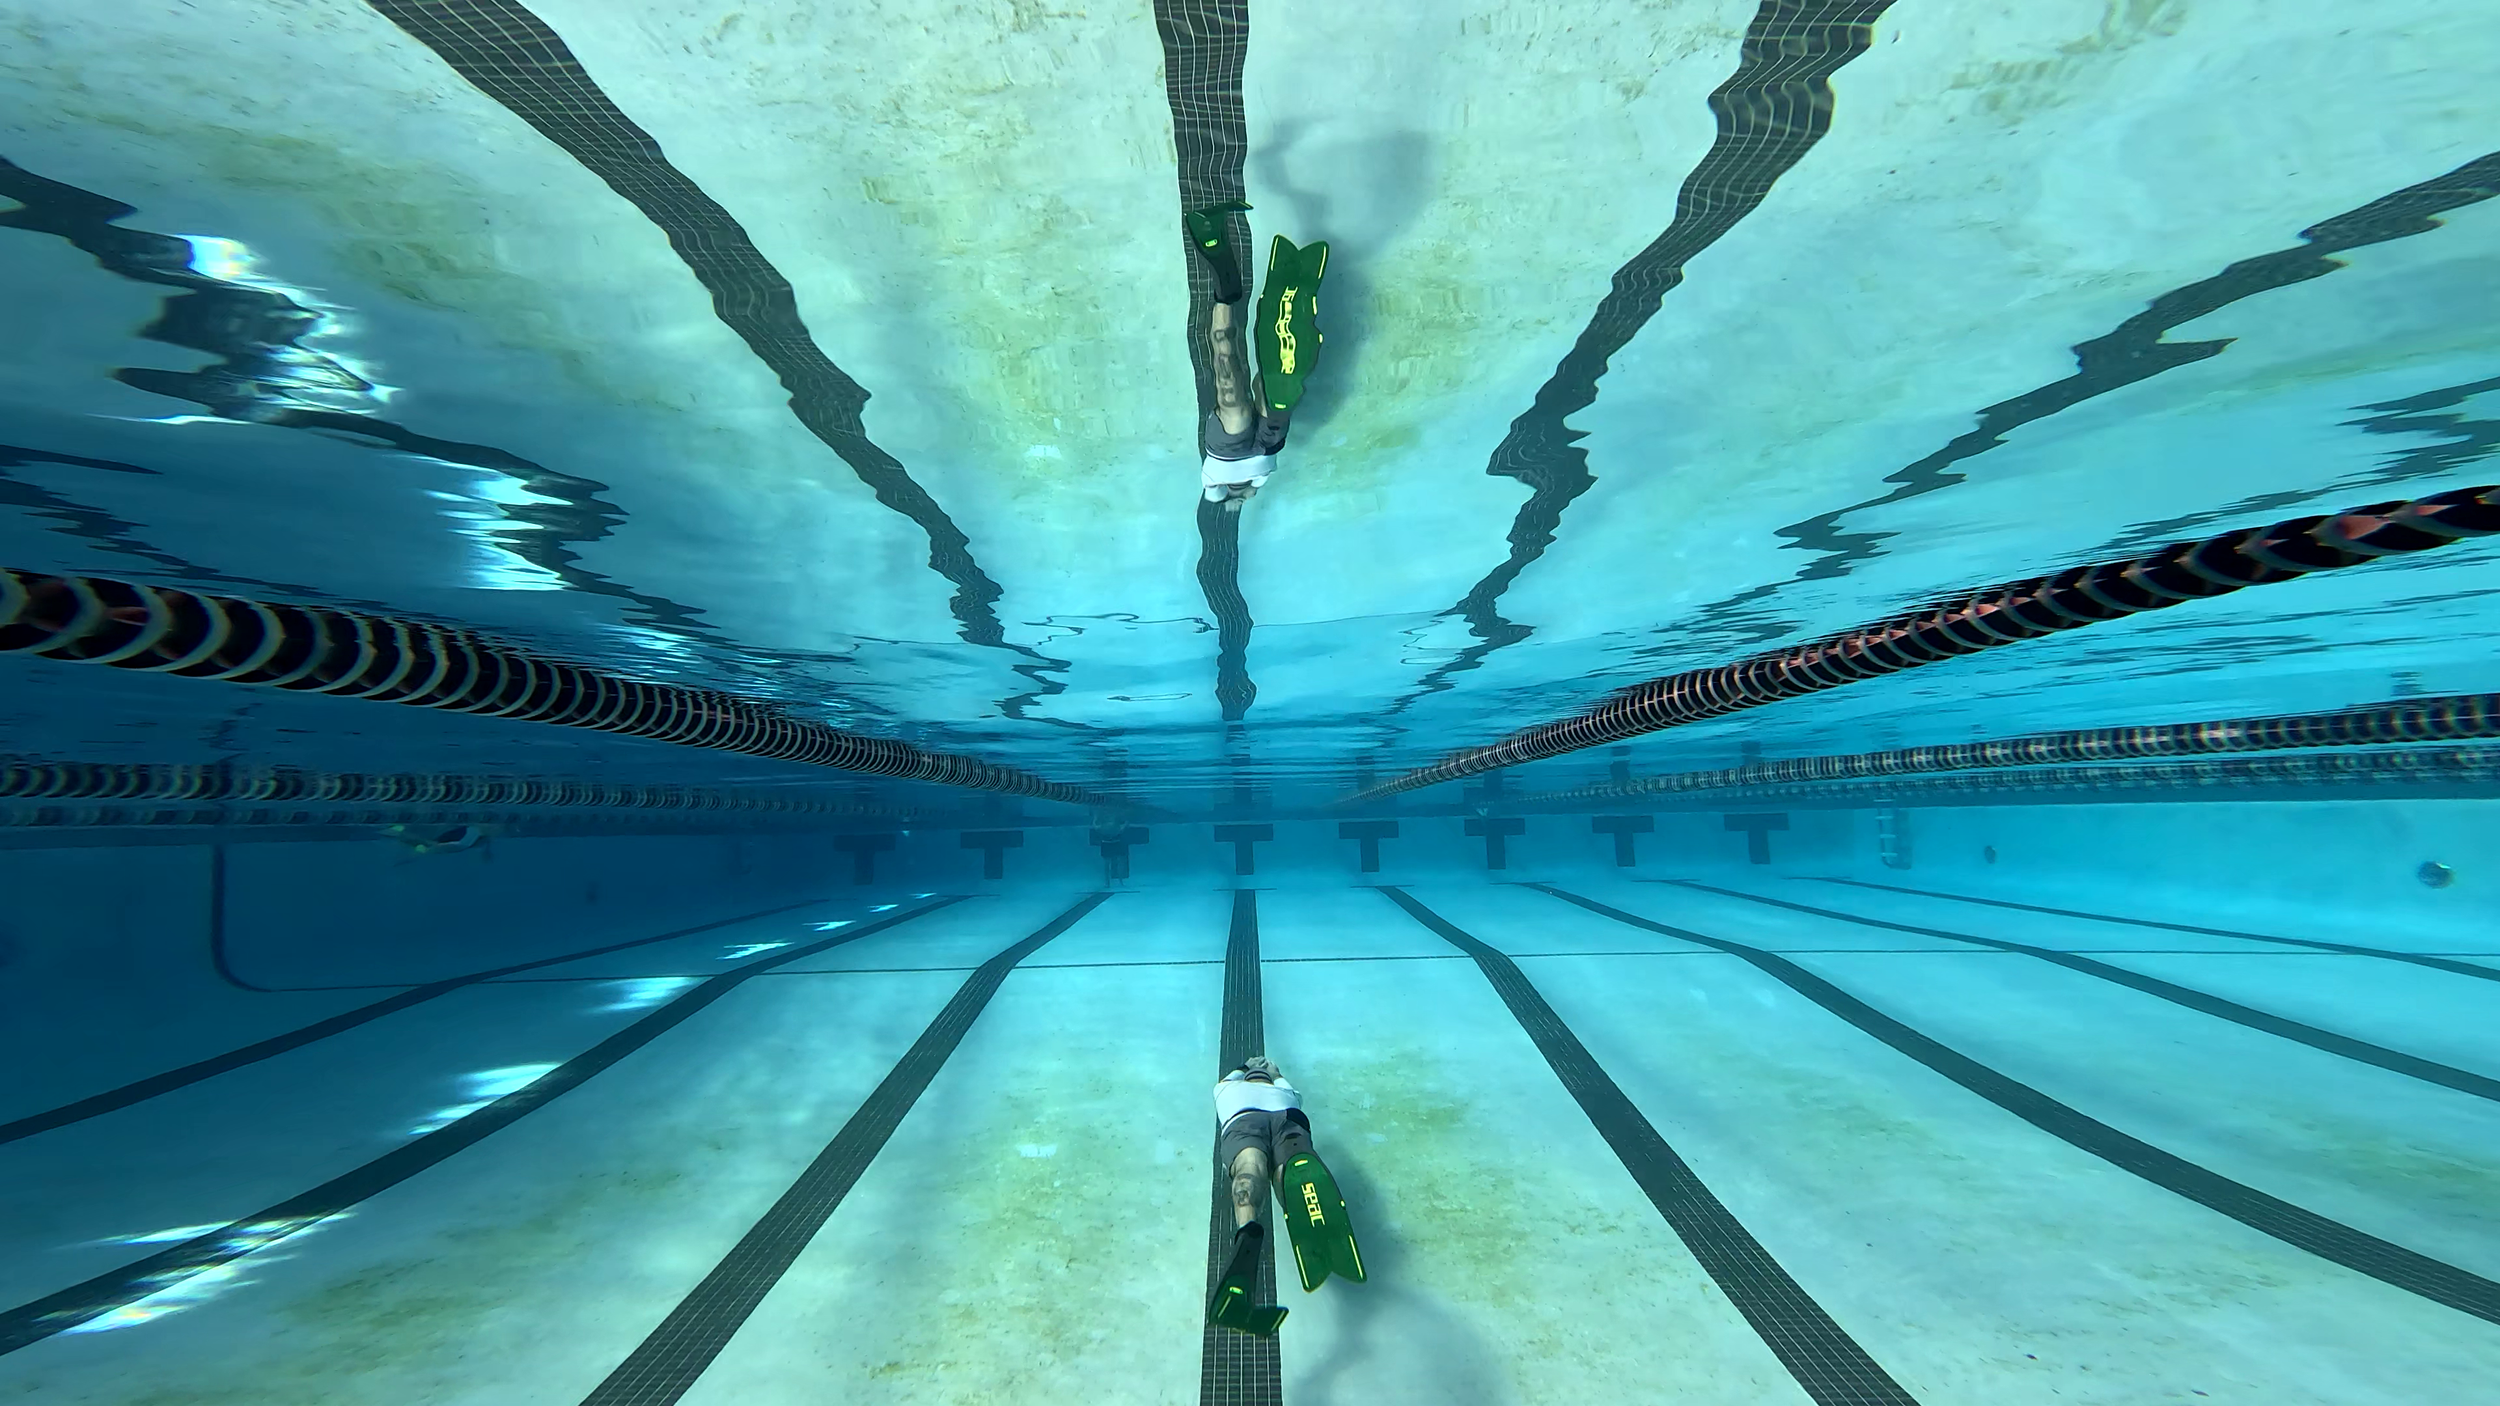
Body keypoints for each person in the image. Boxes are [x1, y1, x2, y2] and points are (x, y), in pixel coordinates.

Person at [1206, 1054, 1364, 1336]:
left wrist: (1246, 1067)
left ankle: (1248, 1230)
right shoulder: (1285, 1091)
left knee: (1250, 1167)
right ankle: (1303, 1214)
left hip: (1245, 1120)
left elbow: (1227, 1078)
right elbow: (1281, 1080)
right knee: (1290, 1171)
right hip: (1285, 1119)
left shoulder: (1228, 1090)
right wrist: (1271, 1070)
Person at [1185, 203, 1329, 511]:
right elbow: (1224, 493)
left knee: (1235, 397)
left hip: (1239, 456)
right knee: (1228, 368)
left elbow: (1213, 494)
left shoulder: (1219, 488)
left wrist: (1240, 493)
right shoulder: (1238, 487)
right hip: (1257, 456)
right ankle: (1278, 395)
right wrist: (1247, 491)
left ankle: (1225, 283)